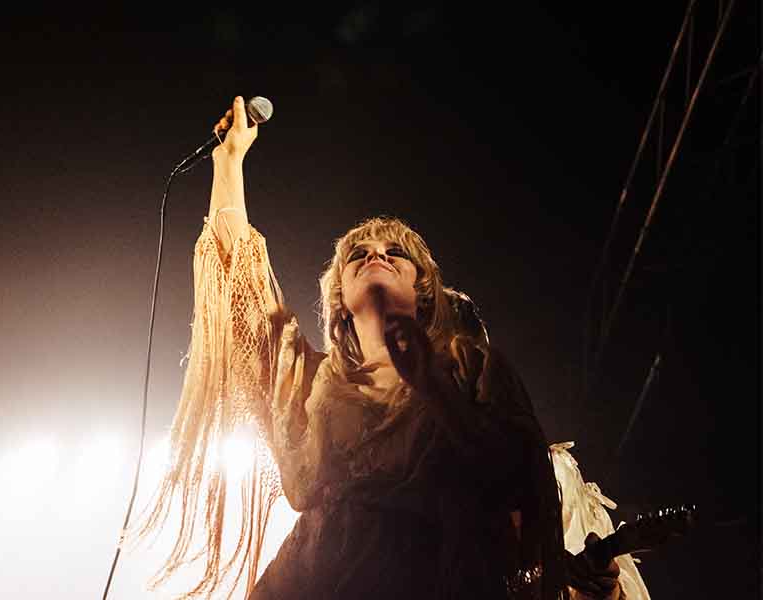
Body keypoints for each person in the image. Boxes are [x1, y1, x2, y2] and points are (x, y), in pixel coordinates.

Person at [135, 96, 624, 599]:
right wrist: (229, 161)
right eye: (359, 255)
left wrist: (583, 582)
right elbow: (244, 290)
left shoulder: (473, 371)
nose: (376, 255)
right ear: (340, 298)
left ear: (424, 290)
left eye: (396, 254)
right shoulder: (311, 382)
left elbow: (520, 509)